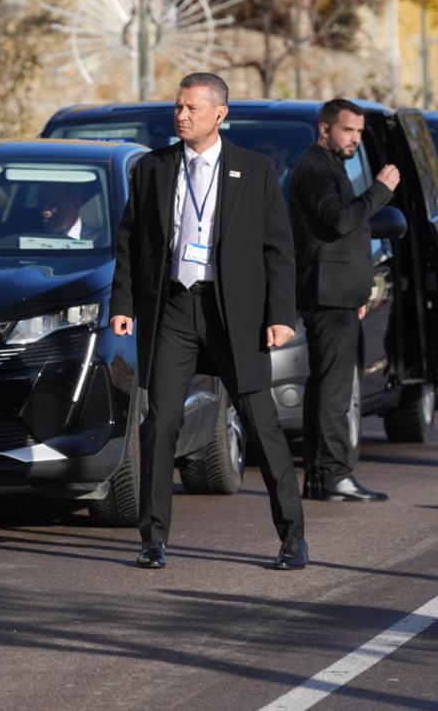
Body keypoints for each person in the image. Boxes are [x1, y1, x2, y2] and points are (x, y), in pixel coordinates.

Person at [109, 73, 306, 572]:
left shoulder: (254, 170)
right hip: (173, 308)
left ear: (219, 114)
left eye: (191, 108)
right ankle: (153, 539)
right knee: (161, 422)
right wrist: (123, 304)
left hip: (231, 313)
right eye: (177, 107)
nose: (181, 115)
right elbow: (131, 241)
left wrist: (280, 316)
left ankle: (293, 539)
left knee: (262, 426)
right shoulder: (152, 168)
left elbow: (278, 250)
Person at [288, 98, 398, 503]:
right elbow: (341, 221)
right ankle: (334, 475)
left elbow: (345, 233)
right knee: (334, 390)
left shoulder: (331, 168)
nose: (355, 139)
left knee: (327, 388)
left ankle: (321, 477)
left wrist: (359, 289)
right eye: (348, 130)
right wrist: (381, 190)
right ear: (325, 130)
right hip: (326, 298)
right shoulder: (316, 170)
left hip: (339, 294)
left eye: (359, 132)